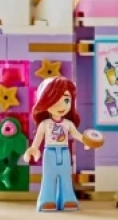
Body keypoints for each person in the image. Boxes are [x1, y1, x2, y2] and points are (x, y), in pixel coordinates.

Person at [24, 76, 94, 212]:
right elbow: (38, 138)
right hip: (49, 152)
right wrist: (33, 149)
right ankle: (46, 199)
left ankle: (67, 199)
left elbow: (77, 135)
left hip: (64, 152)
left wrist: (86, 141)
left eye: (66, 100)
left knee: (65, 176)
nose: (62, 106)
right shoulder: (45, 124)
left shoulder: (68, 124)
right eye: (54, 100)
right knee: (49, 177)